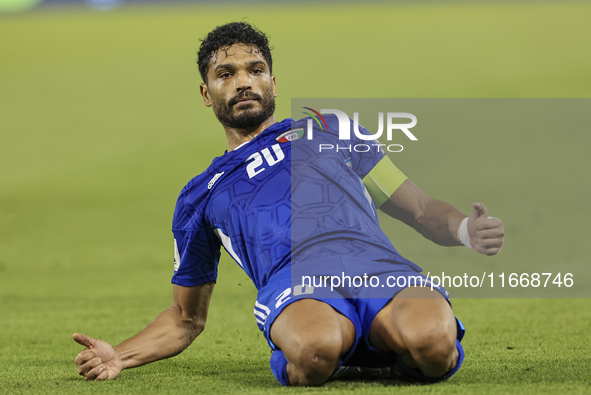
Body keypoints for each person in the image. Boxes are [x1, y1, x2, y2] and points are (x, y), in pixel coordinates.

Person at [73, 22, 504, 386]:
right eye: (226, 74)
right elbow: (186, 318)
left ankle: (371, 345)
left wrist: (467, 229)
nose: (243, 82)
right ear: (206, 93)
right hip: (295, 282)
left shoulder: (330, 127)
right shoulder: (199, 195)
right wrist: (120, 356)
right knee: (315, 353)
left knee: (434, 345)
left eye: (255, 70)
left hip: (376, 267)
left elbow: (423, 211)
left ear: (273, 84)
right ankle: (345, 350)